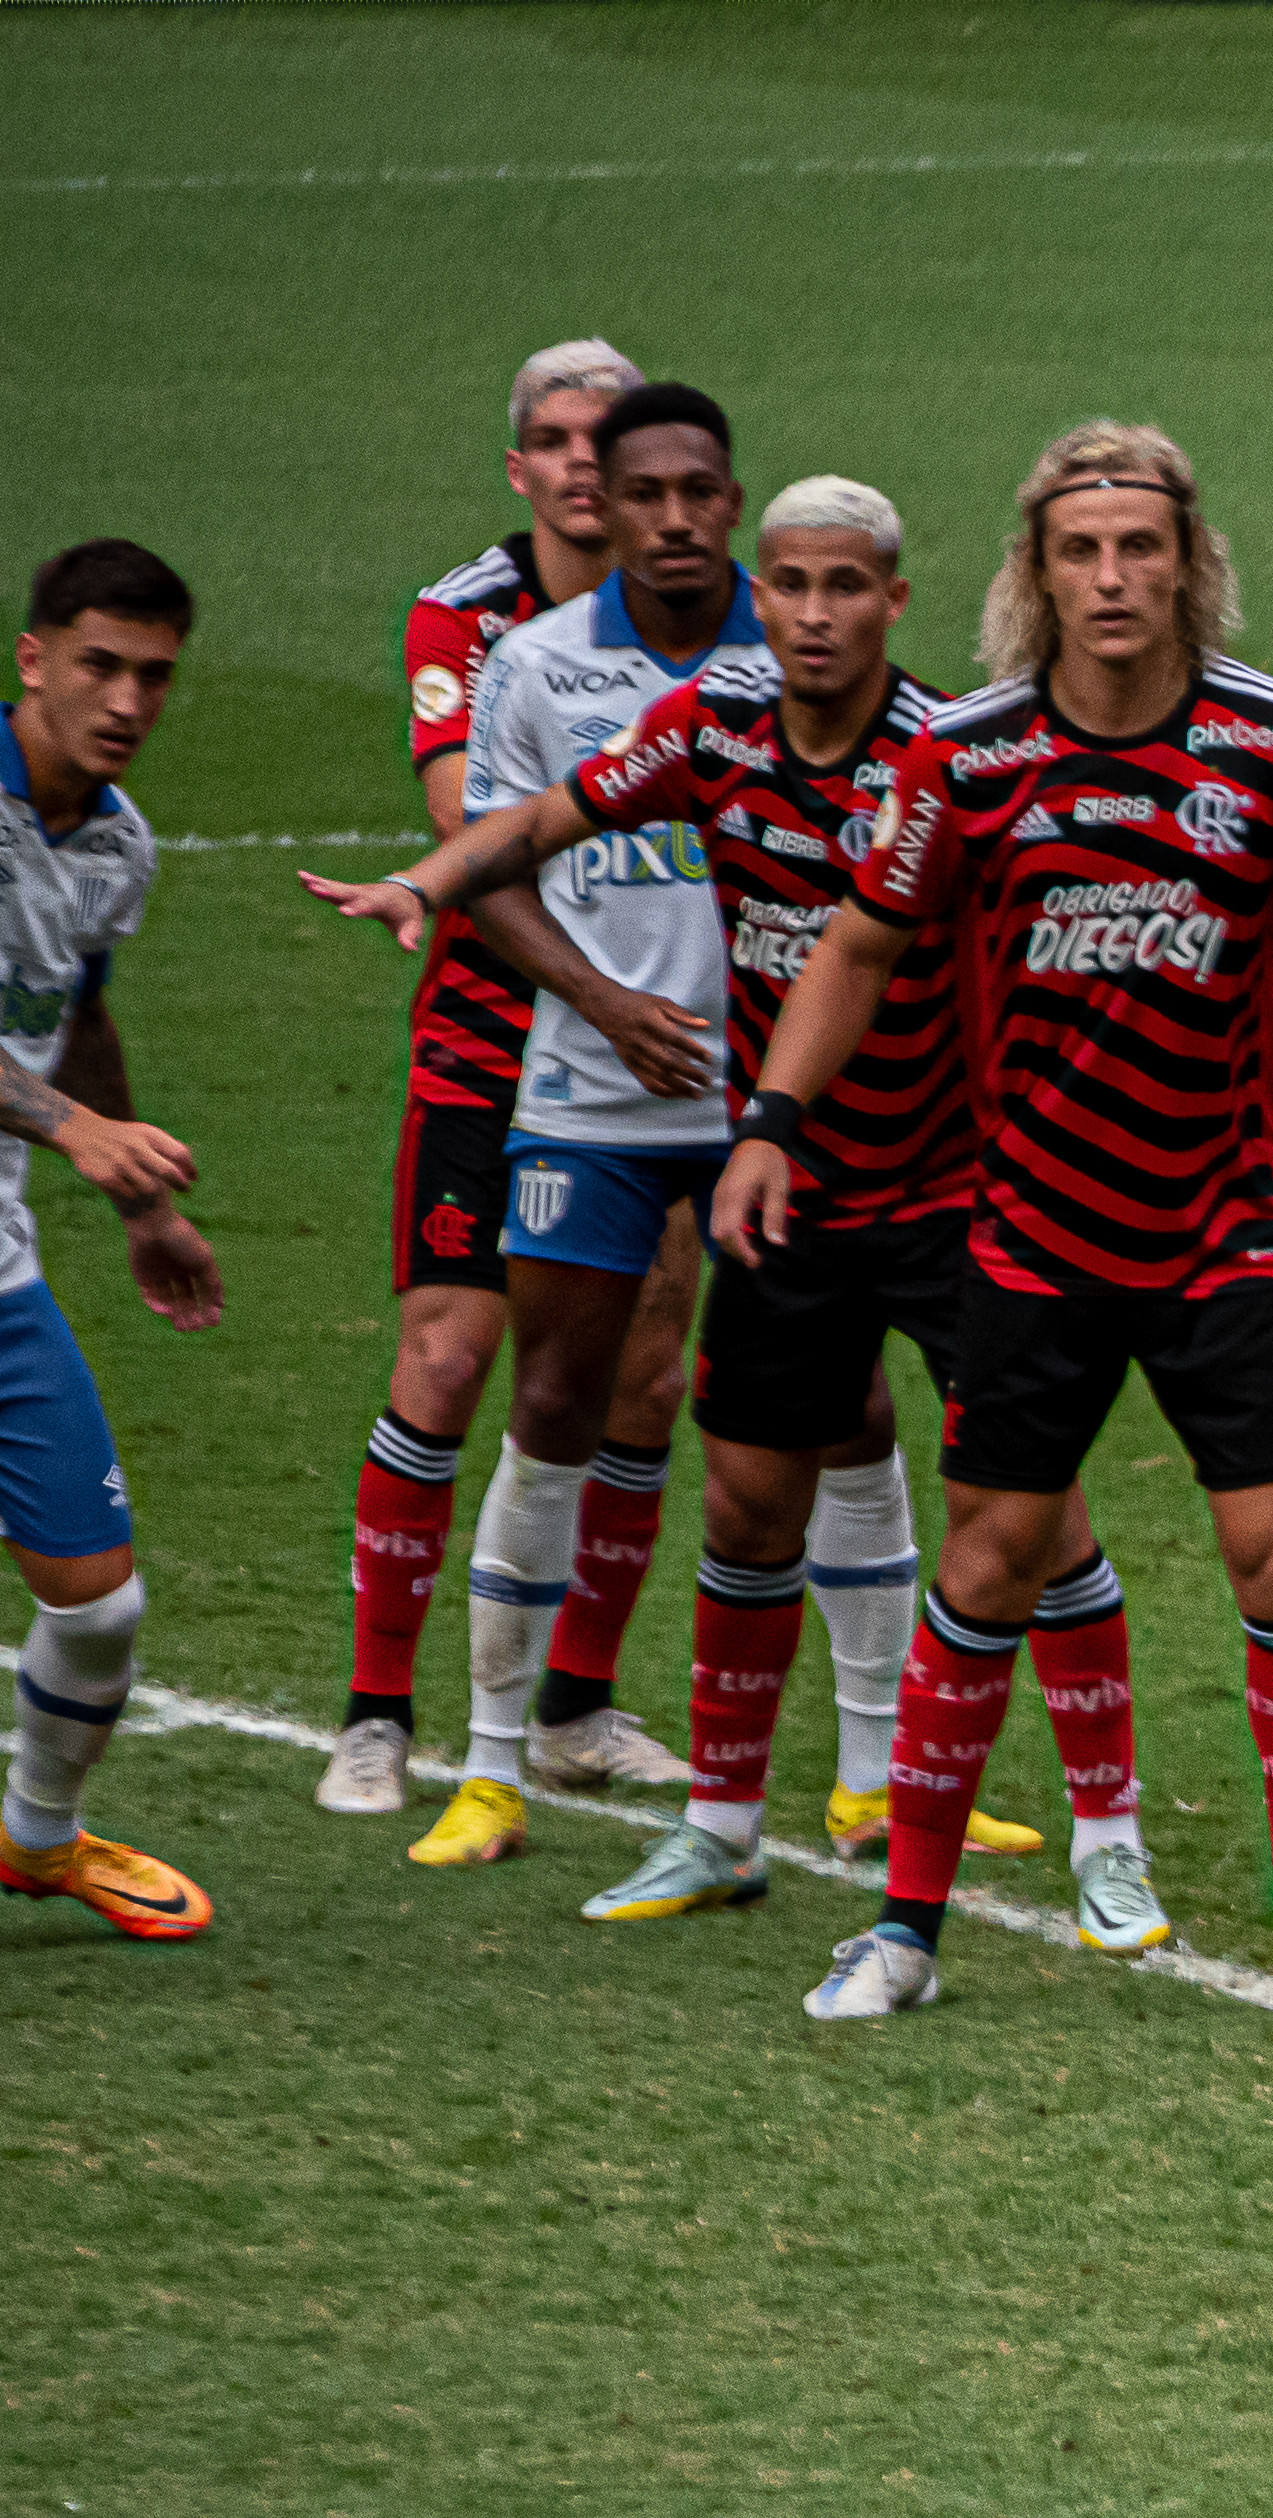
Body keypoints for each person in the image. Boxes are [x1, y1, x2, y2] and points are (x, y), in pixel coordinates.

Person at [310, 478, 1132, 1932]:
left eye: (845, 586)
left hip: (936, 1175)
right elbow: (547, 819)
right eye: (792, 586)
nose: (814, 613)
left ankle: (1094, 1834)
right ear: (764, 591)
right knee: (728, 1483)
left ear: (894, 598)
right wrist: (427, 881)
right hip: (753, 1164)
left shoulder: (946, 755)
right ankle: (670, 1814)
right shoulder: (703, 726)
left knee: (1023, 1486)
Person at [724, 418, 1273, 2034]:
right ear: (1034, 573)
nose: (1114, 578)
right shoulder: (966, 756)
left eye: (1142, 548)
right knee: (990, 1557)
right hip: (1029, 1232)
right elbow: (858, 949)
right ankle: (903, 1927)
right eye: (1081, 550)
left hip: (1223, 1222)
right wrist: (771, 1122)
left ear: (1190, 565)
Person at [322, 339, 707, 1820]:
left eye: (600, 442)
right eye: (552, 440)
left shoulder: (704, 625)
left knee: (647, 1372)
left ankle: (577, 1708)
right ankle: (373, 1712)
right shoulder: (470, 616)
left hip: (651, 1048)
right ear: (523, 467)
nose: (577, 465)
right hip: (501, 1034)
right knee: (448, 1356)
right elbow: (467, 828)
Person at [394, 379, 762, 1870]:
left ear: (731, 499)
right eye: (644, 492)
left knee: (825, 1410)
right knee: (553, 1399)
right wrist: (604, 1006)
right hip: (586, 1095)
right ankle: (490, 1766)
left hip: (761, 1106)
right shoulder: (536, 665)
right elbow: (487, 865)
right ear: (597, 505)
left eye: (700, 491)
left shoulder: (798, 644)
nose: (673, 518)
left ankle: (860, 1775)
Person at [0, 543, 221, 1941]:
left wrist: (143, 1204)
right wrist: (73, 1131)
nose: (127, 697)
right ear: (32, 658)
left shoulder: (119, 842)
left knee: (99, 1608)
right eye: (100, 663)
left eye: (153, 674)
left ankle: (35, 1842)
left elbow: (79, 1016)